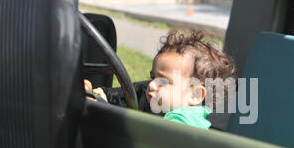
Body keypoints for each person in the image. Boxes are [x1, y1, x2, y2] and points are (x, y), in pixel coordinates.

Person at [85, 28, 236, 130]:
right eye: (152, 77)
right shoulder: (187, 114)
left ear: (195, 95)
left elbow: (142, 143)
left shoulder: (182, 121)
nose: (151, 85)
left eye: (163, 81)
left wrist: (106, 108)